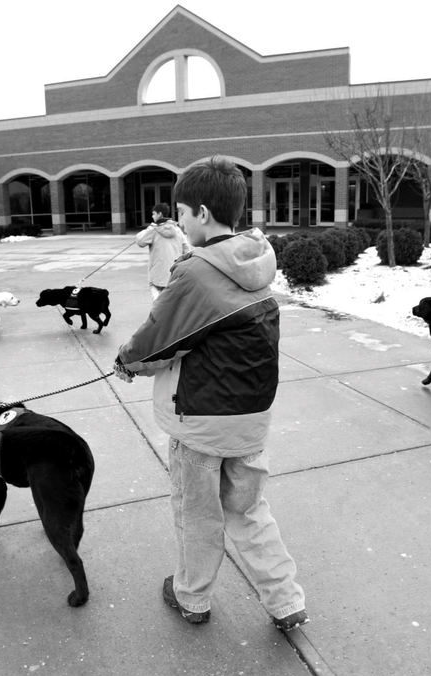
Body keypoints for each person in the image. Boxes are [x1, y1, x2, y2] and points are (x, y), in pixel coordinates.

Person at [113, 156, 308, 631]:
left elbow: (158, 338)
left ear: (201, 213)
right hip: (250, 419)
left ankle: (192, 598)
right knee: (250, 511)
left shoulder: (197, 272)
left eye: (181, 213)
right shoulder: (256, 260)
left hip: (200, 422)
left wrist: (125, 362)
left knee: (198, 515)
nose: (178, 222)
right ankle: (286, 602)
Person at [135, 202, 189, 300]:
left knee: (156, 294)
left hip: (157, 275)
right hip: (175, 273)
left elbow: (140, 241)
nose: (152, 216)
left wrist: (151, 227)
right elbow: (187, 249)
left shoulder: (154, 230)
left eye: (153, 214)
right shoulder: (177, 230)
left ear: (159, 214)